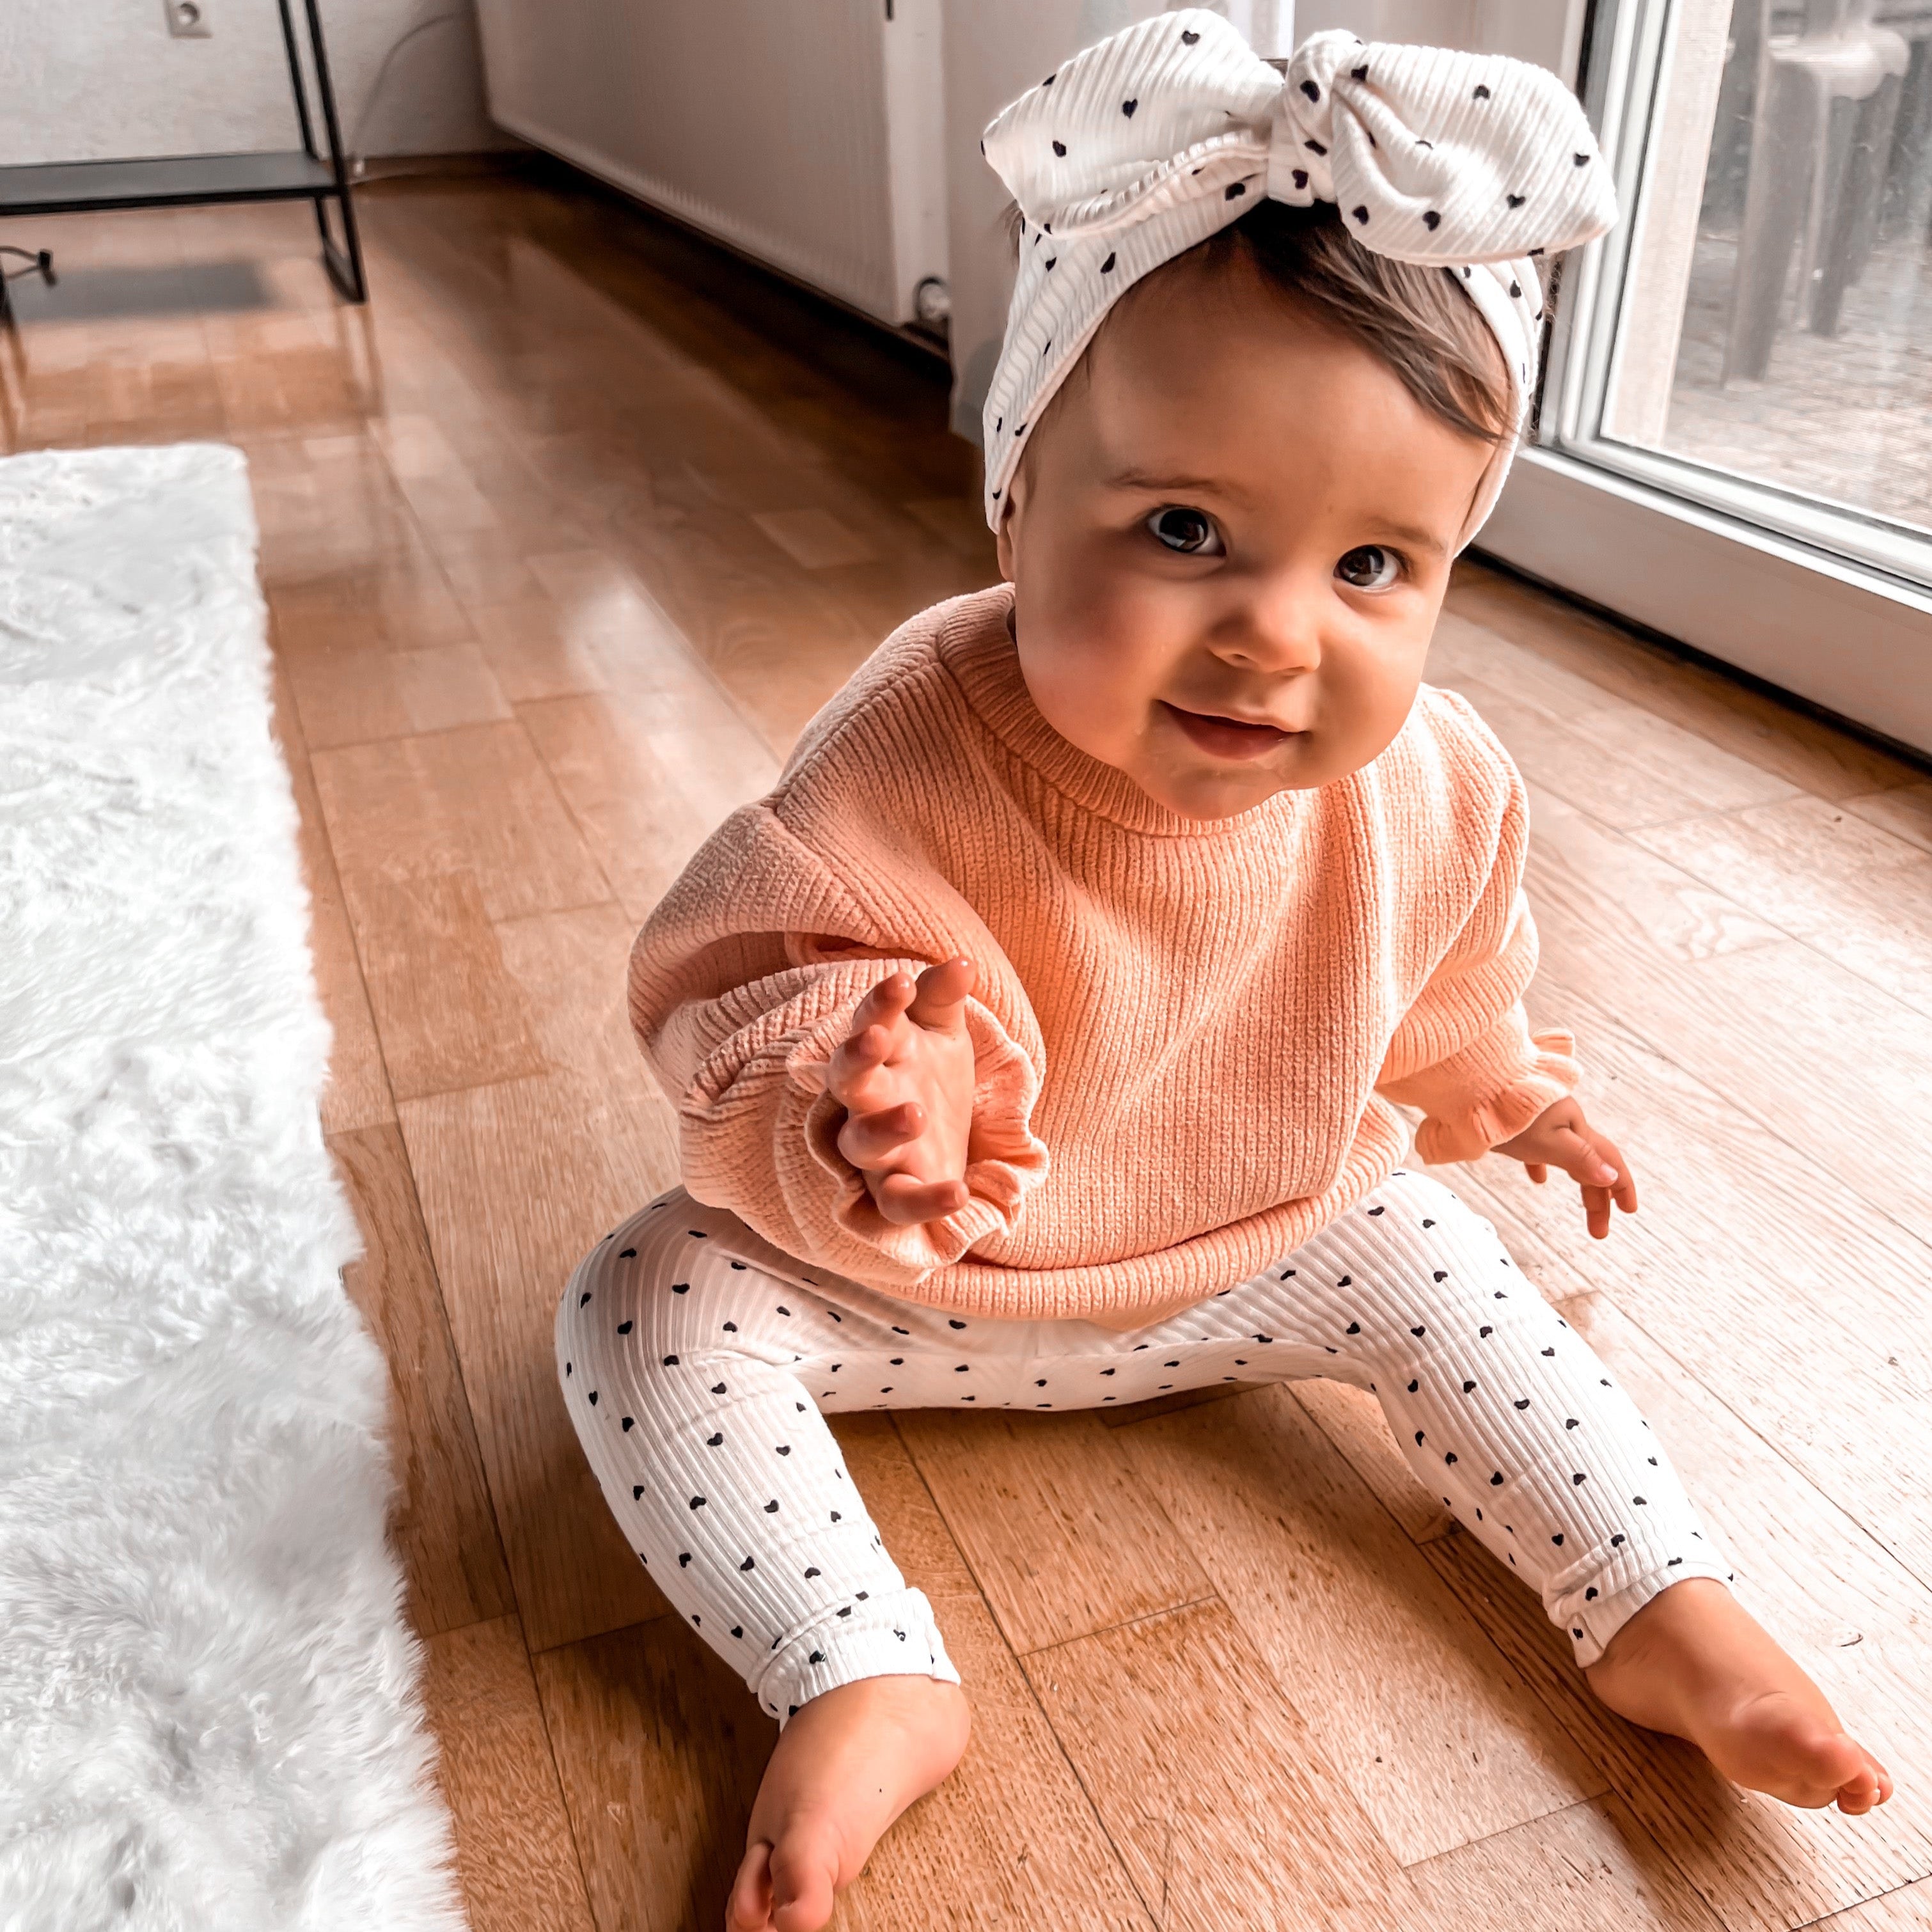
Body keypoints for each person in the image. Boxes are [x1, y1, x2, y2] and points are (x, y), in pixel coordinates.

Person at [556, 17, 1893, 1929]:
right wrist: (861, 1089)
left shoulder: (1436, 784)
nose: (1277, 636)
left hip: (1259, 1238)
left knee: (1464, 1279)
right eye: (1185, 531)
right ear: (1015, 495)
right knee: (641, 1307)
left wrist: (1496, 1083)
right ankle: (856, 1668)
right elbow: (735, 979)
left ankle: (1657, 1599)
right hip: (926, 1280)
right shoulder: (912, 739)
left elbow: (1440, 976)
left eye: (1374, 567)